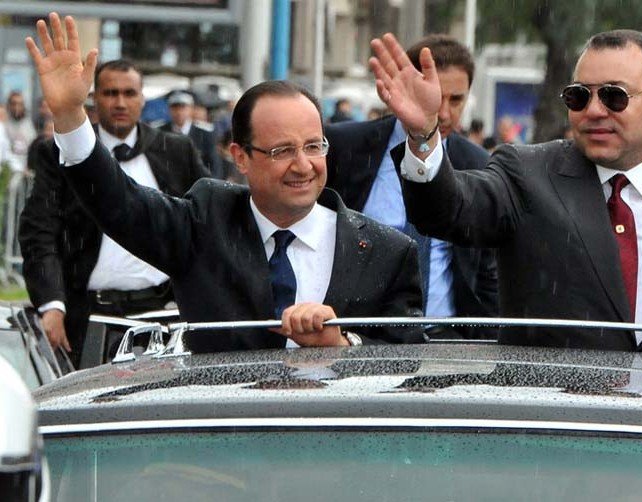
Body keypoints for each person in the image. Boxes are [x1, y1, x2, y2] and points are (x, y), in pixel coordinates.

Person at [369, 29, 642, 357]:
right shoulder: (526, 173)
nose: (593, 110)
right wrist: (424, 136)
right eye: (578, 96)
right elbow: (449, 209)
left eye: (613, 96)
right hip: (549, 443)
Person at [24, 13, 424, 354]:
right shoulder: (204, 224)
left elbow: (407, 362)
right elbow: (119, 202)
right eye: (282, 151)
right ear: (241, 157)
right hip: (220, 437)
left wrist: (343, 344)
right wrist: (71, 116)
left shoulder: (386, 252)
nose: (303, 165)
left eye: (313, 146)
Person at [18, 58, 210, 367]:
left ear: (142, 98)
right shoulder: (58, 151)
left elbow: (206, 223)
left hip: (167, 315)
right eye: (110, 93)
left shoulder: (176, 150)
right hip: (89, 317)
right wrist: (52, 304)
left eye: (129, 93)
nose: (120, 102)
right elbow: (39, 231)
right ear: (95, 99)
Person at [326, 34, 498, 339]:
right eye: (432, 95)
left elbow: (485, 269)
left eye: (456, 99)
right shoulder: (345, 147)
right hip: (355, 339)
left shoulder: (479, 164)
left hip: (446, 341)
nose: (443, 112)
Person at [160, 91, 221, 178]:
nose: (179, 112)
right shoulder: (160, 133)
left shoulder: (205, 134)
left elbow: (214, 165)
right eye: (175, 108)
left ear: (191, 109)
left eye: (183, 107)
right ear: (169, 110)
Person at [4, 91, 37, 172]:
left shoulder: (29, 124)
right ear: (9, 105)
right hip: (8, 171)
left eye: (20, 104)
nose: (17, 107)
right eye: (14, 103)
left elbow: (34, 148)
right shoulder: (4, 125)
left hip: (27, 171)